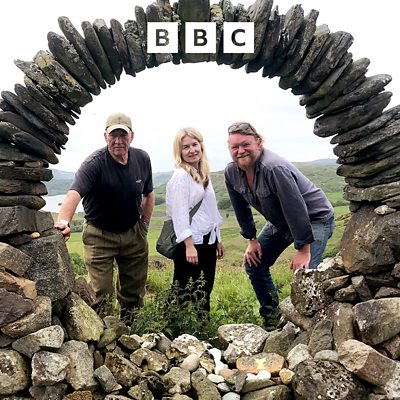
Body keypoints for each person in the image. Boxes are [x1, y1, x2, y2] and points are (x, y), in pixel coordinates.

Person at [224, 121, 335, 328]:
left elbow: (295, 208)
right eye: (235, 147)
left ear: (258, 142)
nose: (240, 151)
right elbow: (240, 208)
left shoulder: (273, 168)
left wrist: (303, 249)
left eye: (245, 144)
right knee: (254, 264)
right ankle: (273, 320)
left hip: (314, 218)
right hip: (280, 222)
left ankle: (312, 326)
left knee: (306, 274)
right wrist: (251, 240)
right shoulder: (232, 172)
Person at [55, 112, 154, 320]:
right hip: (99, 235)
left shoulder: (142, 159)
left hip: (133, 233)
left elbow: (148, 193)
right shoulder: (94, 163)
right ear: (105, 136)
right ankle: (101, 334)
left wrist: (144, 224)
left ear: (132, 136)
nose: (118, 140)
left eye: (123, 135)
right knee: (101, 293)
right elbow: (74, 193)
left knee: (134, 292)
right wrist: (64, 222)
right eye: (113, 135)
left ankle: (131, 329)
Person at [166, 127, 225, 317]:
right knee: (183, 290)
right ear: (179, 151)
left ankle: (202, 329)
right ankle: (174, 328)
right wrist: (189, 245)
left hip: (207, 241)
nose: (191, 150)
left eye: (194, 144)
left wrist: (217, 239)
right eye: (186, 147)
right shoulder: (181, 176)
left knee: (204, 289)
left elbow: (210, 209)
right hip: (191, 243)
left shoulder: (202, 173)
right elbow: (179, 213)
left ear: (201, 145)